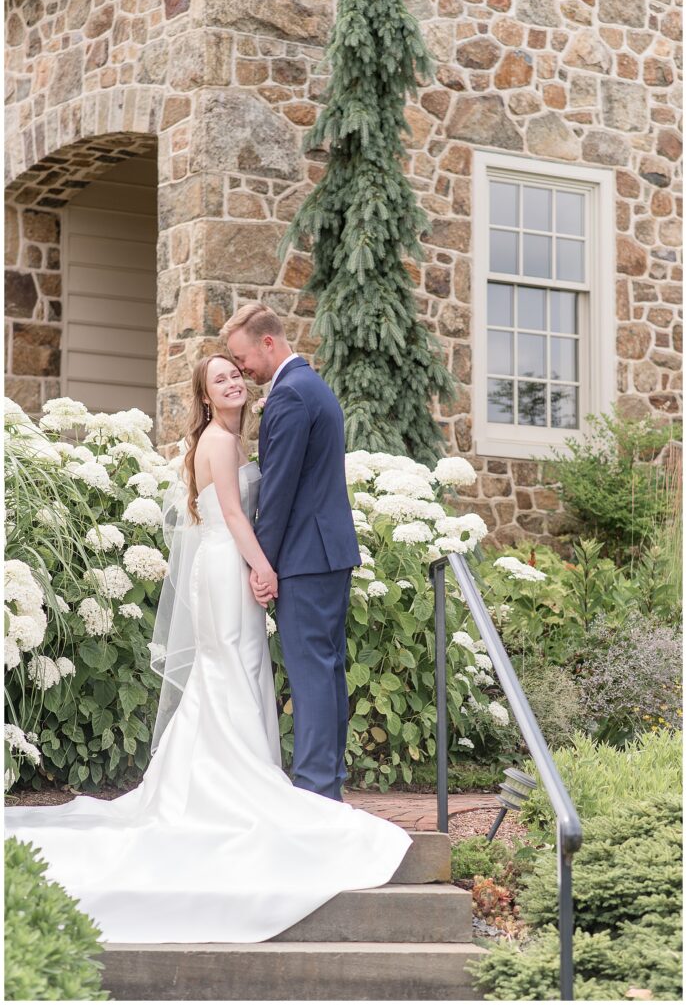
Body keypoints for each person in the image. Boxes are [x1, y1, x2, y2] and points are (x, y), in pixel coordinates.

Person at [4, 352, 411, 945]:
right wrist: (264, 567)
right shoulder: (218, 444)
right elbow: (230, 515)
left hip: (231, 566)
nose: (233, 382)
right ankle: (231, 781)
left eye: (236, 375)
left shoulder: (230, 439)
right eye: (219, 379)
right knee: (230, 669)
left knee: (240, 671)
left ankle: (231, 771)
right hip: (227, 567)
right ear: (205, 397)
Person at [225, 302, 360, 802]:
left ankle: (314, 789)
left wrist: (263, 564)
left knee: (311, 673)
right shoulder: (308, 386)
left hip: (306, 555)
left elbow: (277, 493)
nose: (242, 369)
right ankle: (327, 785)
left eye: (243, 358)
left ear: (268, 342)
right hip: (326, 551)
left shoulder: (289, 397)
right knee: (324, 669)